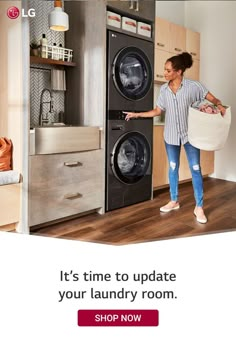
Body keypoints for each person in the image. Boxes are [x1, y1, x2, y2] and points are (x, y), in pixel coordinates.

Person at [124, 52, 226, 224]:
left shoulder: (194, 86)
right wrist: (137, 114)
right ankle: (174, 201)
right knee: (173, 167)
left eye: (168, 70)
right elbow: (157, 111)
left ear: (179, 71)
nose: (165, 73)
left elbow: (212, 98)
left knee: (195, 168)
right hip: (171, 136)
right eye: (165, 70)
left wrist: (219, 104)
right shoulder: (164, 89)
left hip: (190, 136)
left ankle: (199, 207)